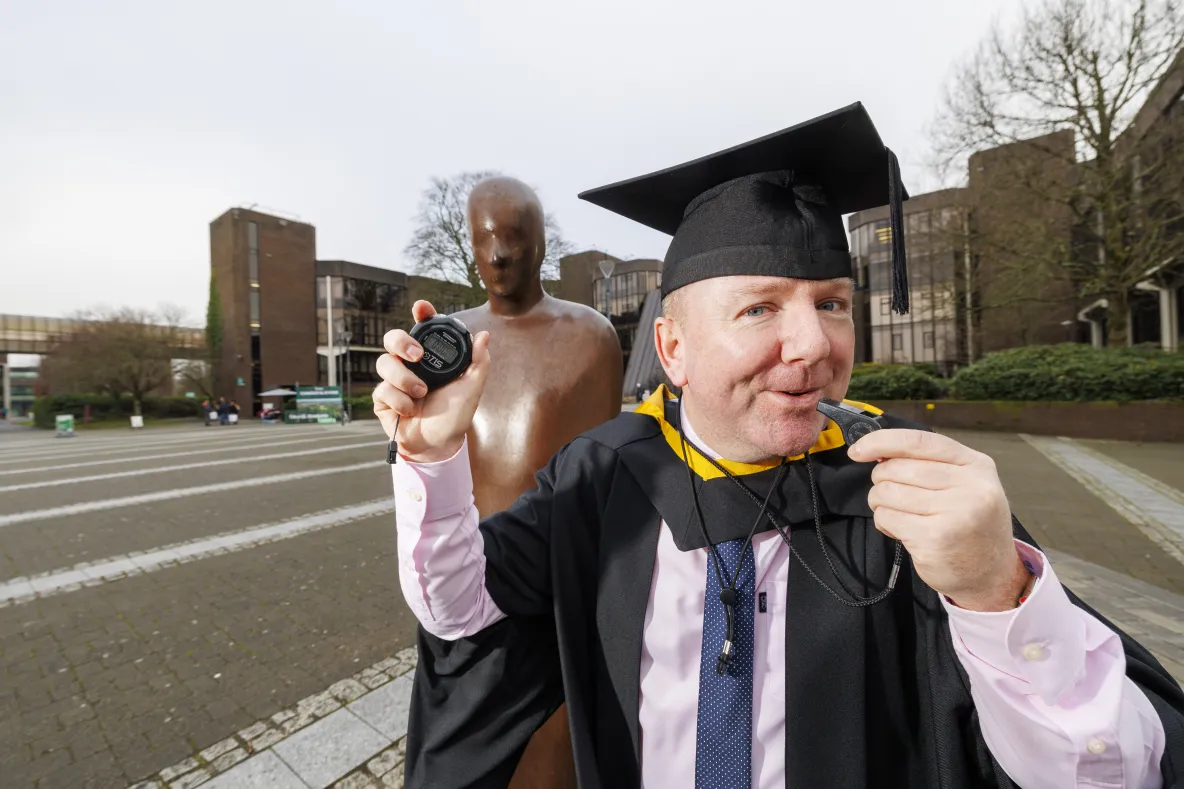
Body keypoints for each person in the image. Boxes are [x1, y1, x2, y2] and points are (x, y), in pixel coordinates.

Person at [374, 103, 1184, 788]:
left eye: (832, 304)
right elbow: (462, 612)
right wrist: (434, 459)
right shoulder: (604, 474)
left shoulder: (910, 492)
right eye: (760, 309)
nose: (812, 346)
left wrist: (1000, 595)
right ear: (674, 347)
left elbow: (1108, 768)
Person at [401, 175, 622, 788]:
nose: (498, 255)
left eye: (515, 239)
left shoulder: (589, 336)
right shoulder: (450, 345)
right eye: (484, 240)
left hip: (555, 581)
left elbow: (597, 476)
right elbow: (427, 468)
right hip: (470, 579)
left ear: (542, 244)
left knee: (554, 758)